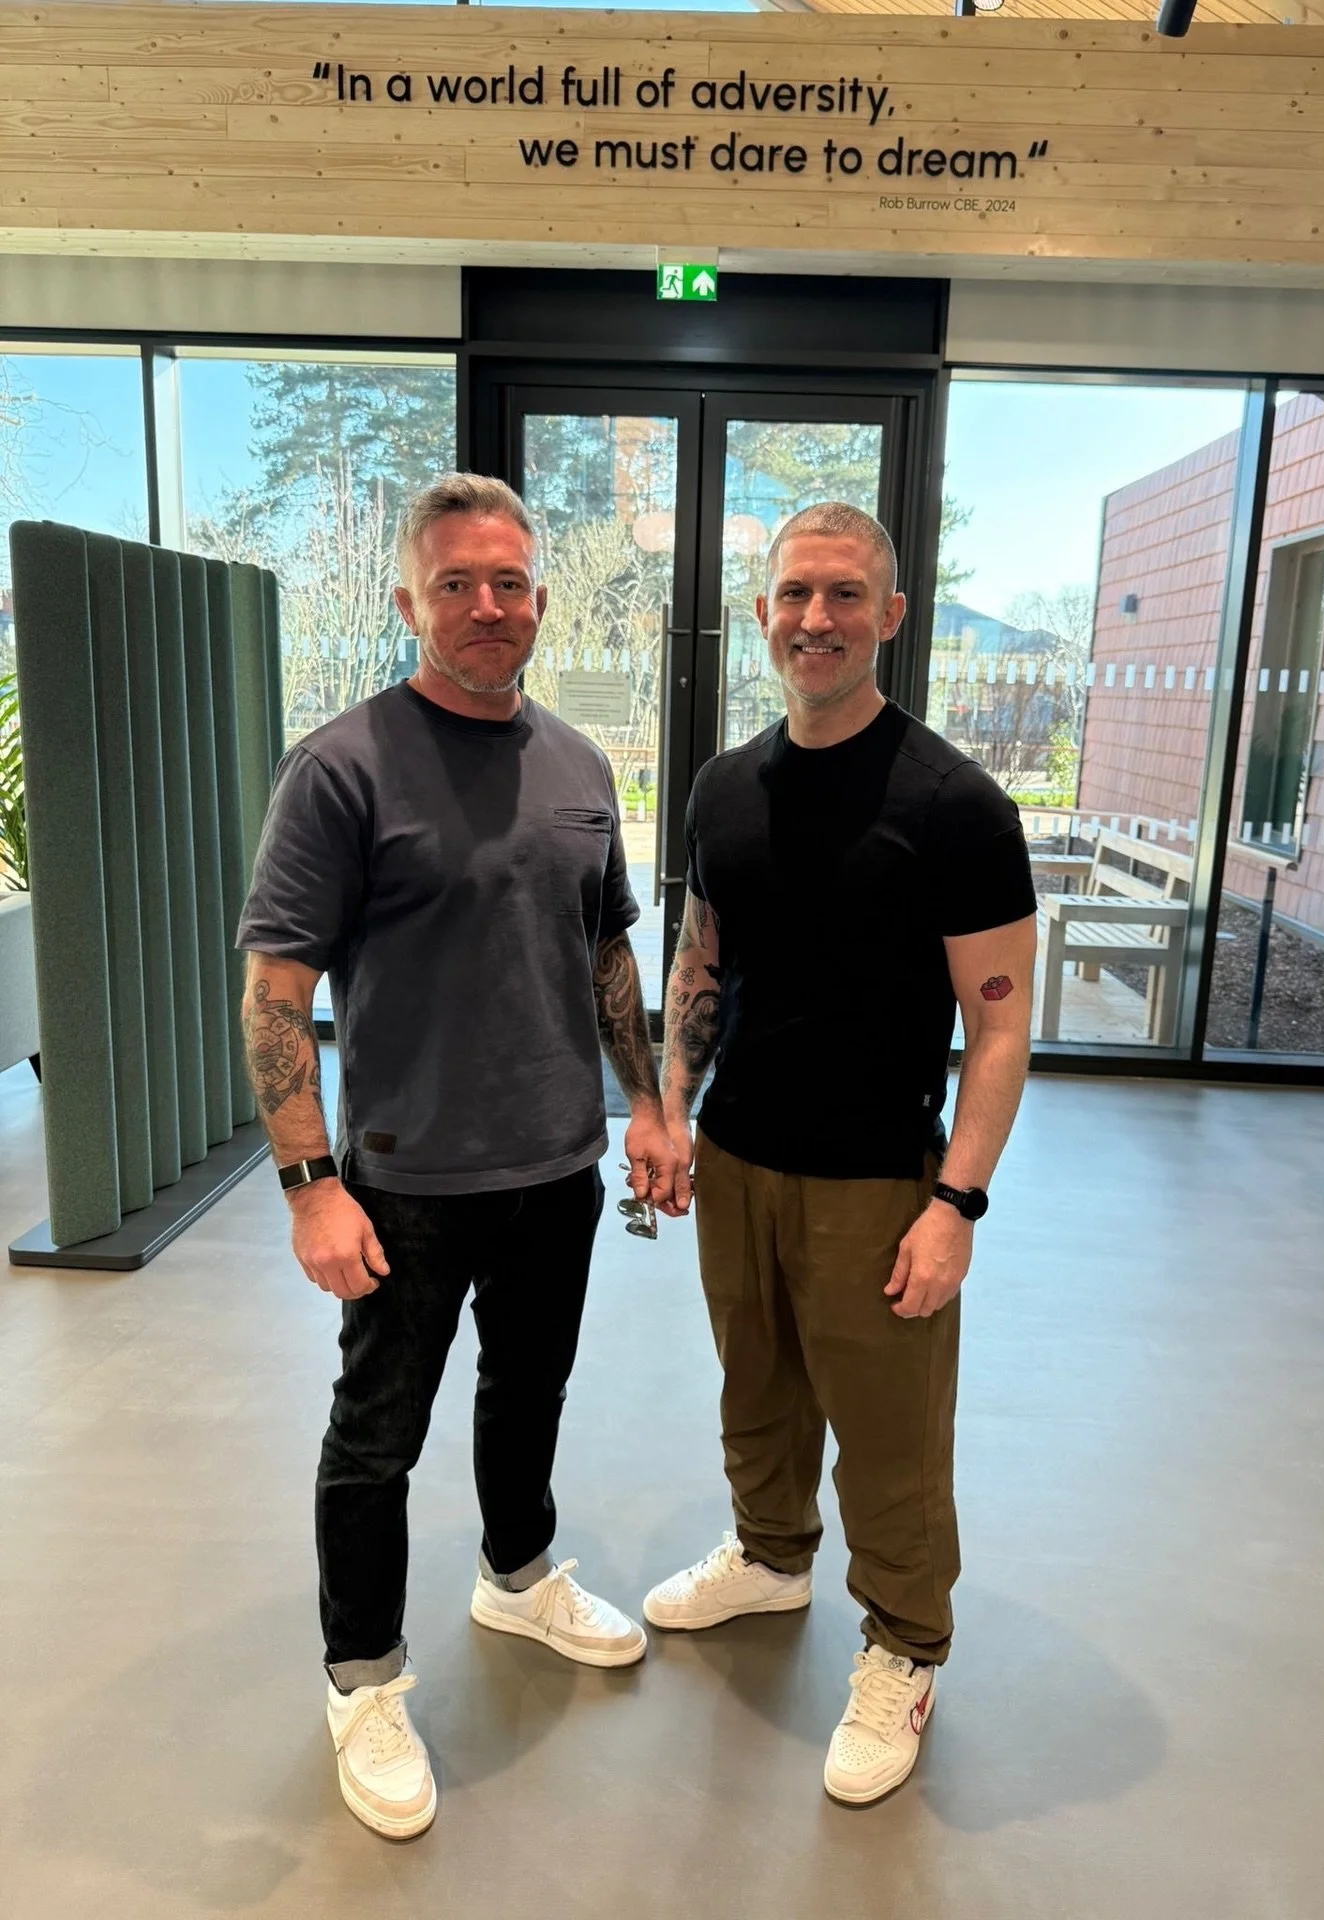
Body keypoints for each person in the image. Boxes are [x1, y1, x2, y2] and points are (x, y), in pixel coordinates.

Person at [237, 472, 677, 1841]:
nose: (487, 606)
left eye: (509, 583)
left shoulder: (581, 765)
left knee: (528, 1390)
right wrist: (311, 1187)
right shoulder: (342, 766)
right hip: (403, 1180)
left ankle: (518, 1572)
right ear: (409, 600)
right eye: (455, 584)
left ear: (540, 599)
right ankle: (362, 1679)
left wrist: (648, 1105)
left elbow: (605, 952)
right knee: (377, 1436)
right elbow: (274, 991)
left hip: (556, 1166)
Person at [643, 501, 1037, 1805]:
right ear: (762, 613)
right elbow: (702, 956)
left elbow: (999, 1028)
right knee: (754, 1384)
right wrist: (672, 1105)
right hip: (737, 1158)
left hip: (878, 1177)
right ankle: (770, 1558)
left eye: (846, 594)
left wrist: (957, 1203)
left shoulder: (957, 807)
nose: (818, 619)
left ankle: (906, 1650)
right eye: (796, 594)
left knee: (888, 1434)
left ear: (892, 615)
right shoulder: (720, 788)